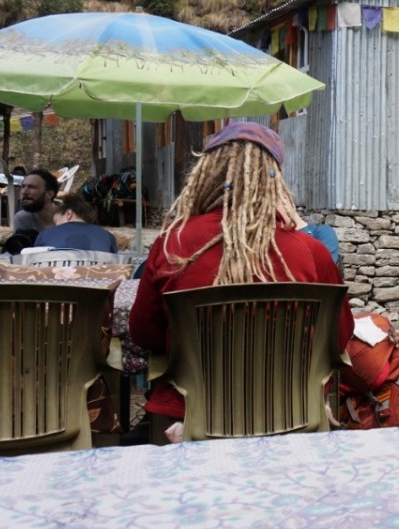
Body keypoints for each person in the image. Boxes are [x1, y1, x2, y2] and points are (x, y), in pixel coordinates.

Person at [130, 122, 354, 421]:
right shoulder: (311, 252)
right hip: (292, 410)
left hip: (194, 412)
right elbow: (338, 339)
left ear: (206, 174)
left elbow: (144, 334)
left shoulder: (173, 243)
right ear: (274, 181)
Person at [34, 193, 119, 253]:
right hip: (95, 273)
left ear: (69, 214)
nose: (55, 226)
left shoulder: (44, 235)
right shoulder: (107, 236)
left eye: (56, 222)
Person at [12, 168, 59, 235]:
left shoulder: (69, 218)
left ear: (49, 194)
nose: (24, 192)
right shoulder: (23, 218)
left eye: (32, 187)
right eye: (23, 186)